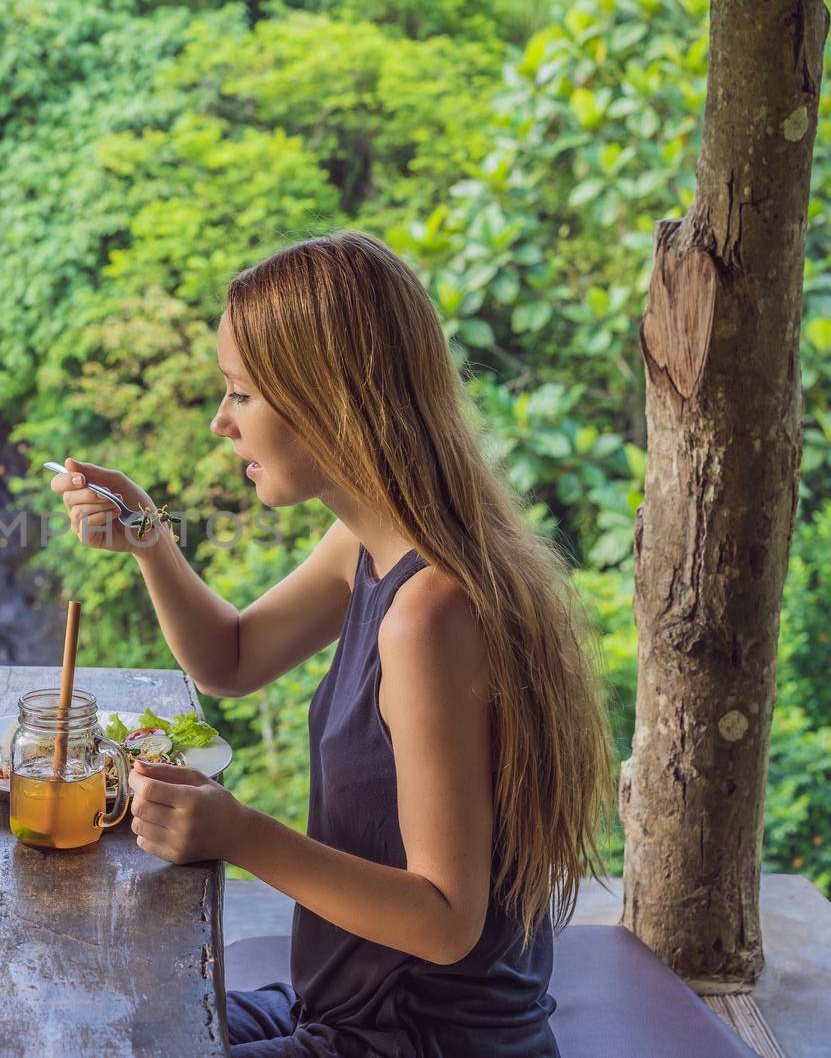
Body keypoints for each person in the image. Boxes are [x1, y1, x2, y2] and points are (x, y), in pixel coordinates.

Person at [51, 231, 613, 1057]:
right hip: (347, 1004)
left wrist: (237, 832)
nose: (221, 423)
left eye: (241, 394)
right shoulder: (369, 544)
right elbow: (231, 659)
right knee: (96, 1026)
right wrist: (147, 534)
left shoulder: (432, 615)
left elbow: (447, 919)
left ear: (329, 400)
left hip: (424, 1037)